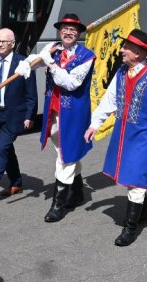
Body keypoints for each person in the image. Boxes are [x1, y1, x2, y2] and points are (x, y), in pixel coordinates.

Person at [84, 29, 147, 246]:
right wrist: (95, 124)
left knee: (135, 178)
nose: (122, 50)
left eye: (126, 47)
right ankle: (142, 213)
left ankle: (130, 227)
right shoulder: (121, 72)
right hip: (125, 132)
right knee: (129, 175)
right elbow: (110, 100)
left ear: (139, 53)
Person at [15, 13, 95, 222]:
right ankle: (77, 193)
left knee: (65, 154)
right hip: (54, 110)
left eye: (73, 30)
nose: (68, 33)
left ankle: (58, 204)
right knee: (62, 150)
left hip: (74, 113)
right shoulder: (53, 49)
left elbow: (70, 83)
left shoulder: (87, 56)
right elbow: (38, 59)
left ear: (78, 34)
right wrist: (28, 63)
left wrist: (51, 64)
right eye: (65, 29)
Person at [0, 28, 37, 206]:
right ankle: (16, 182)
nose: (0, 44)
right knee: (6, 150)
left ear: (12, 43)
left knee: (1, 149)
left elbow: (31, 93)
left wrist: (30, 115)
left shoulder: (23, 63)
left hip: (14, 116)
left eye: (3, 41)